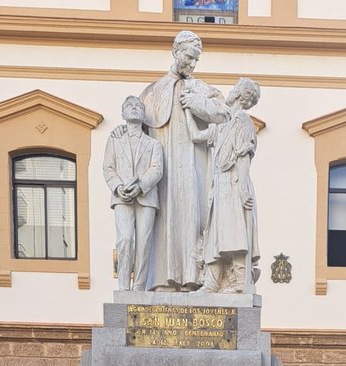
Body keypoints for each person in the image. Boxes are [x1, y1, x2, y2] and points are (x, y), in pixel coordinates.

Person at [138, 30, 227, 291]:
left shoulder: (204, 90)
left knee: (192, 216)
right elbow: (139, 132)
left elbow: (225, 115)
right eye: (189, 57)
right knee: (162, 218)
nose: (192, 63)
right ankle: (161, 280)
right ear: (175, 52)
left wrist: (198, 103)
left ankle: (192, 278)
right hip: (161, 172)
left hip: (193, 168)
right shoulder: (152, 92)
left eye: (196, 59)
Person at [188, 77, 261, 294]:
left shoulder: (242, 122)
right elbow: (195, 136)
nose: (229, 93)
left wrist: (242, 191)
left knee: (234, 232)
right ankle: (212, 280)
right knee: (216, 234)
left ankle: (238, 281)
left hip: (235, 182)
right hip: (219, 184)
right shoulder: (222, 124)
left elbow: (244, 156)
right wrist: (186, 108)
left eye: (233, 89)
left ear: (239, 94)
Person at [103, 96, 164, 293]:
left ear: (144, 114)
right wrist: (118, 186)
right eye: (129, 106)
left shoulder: (154, 144)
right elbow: (108, 168)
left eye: (138, 106)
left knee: (144, 242)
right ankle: (123, 287)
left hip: (146, 197)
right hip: (121, 197)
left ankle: (138, 288)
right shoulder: (114, 140)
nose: (134, 108)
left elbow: (157, 169)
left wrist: (141, 186)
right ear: (123, 114)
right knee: (126, 239)